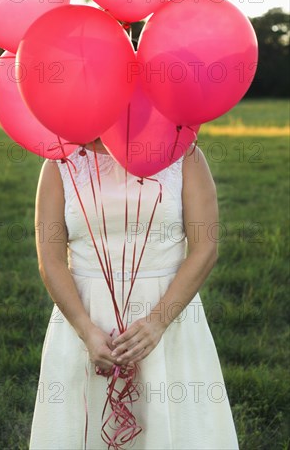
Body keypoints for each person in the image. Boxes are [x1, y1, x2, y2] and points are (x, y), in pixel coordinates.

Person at [29, 138, 239, 450]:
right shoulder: (59, 164)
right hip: (85, 316)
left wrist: (157, 323)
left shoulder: (185, 155)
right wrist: (85, 330)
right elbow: (51, 259)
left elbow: (205, 247)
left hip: (168, 315)